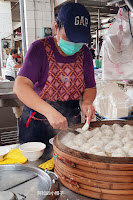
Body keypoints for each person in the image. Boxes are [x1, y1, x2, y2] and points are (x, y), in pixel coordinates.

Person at [13, 2, 96, 145]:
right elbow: (20, 86)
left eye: (80, 40)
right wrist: (49, 112)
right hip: (38, 123)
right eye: (71, 37)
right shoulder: (39, 49)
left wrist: (87, 102)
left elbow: (90, 87)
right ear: (56, 27)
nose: (76, 44)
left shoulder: (85, 53)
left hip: (71, 121)